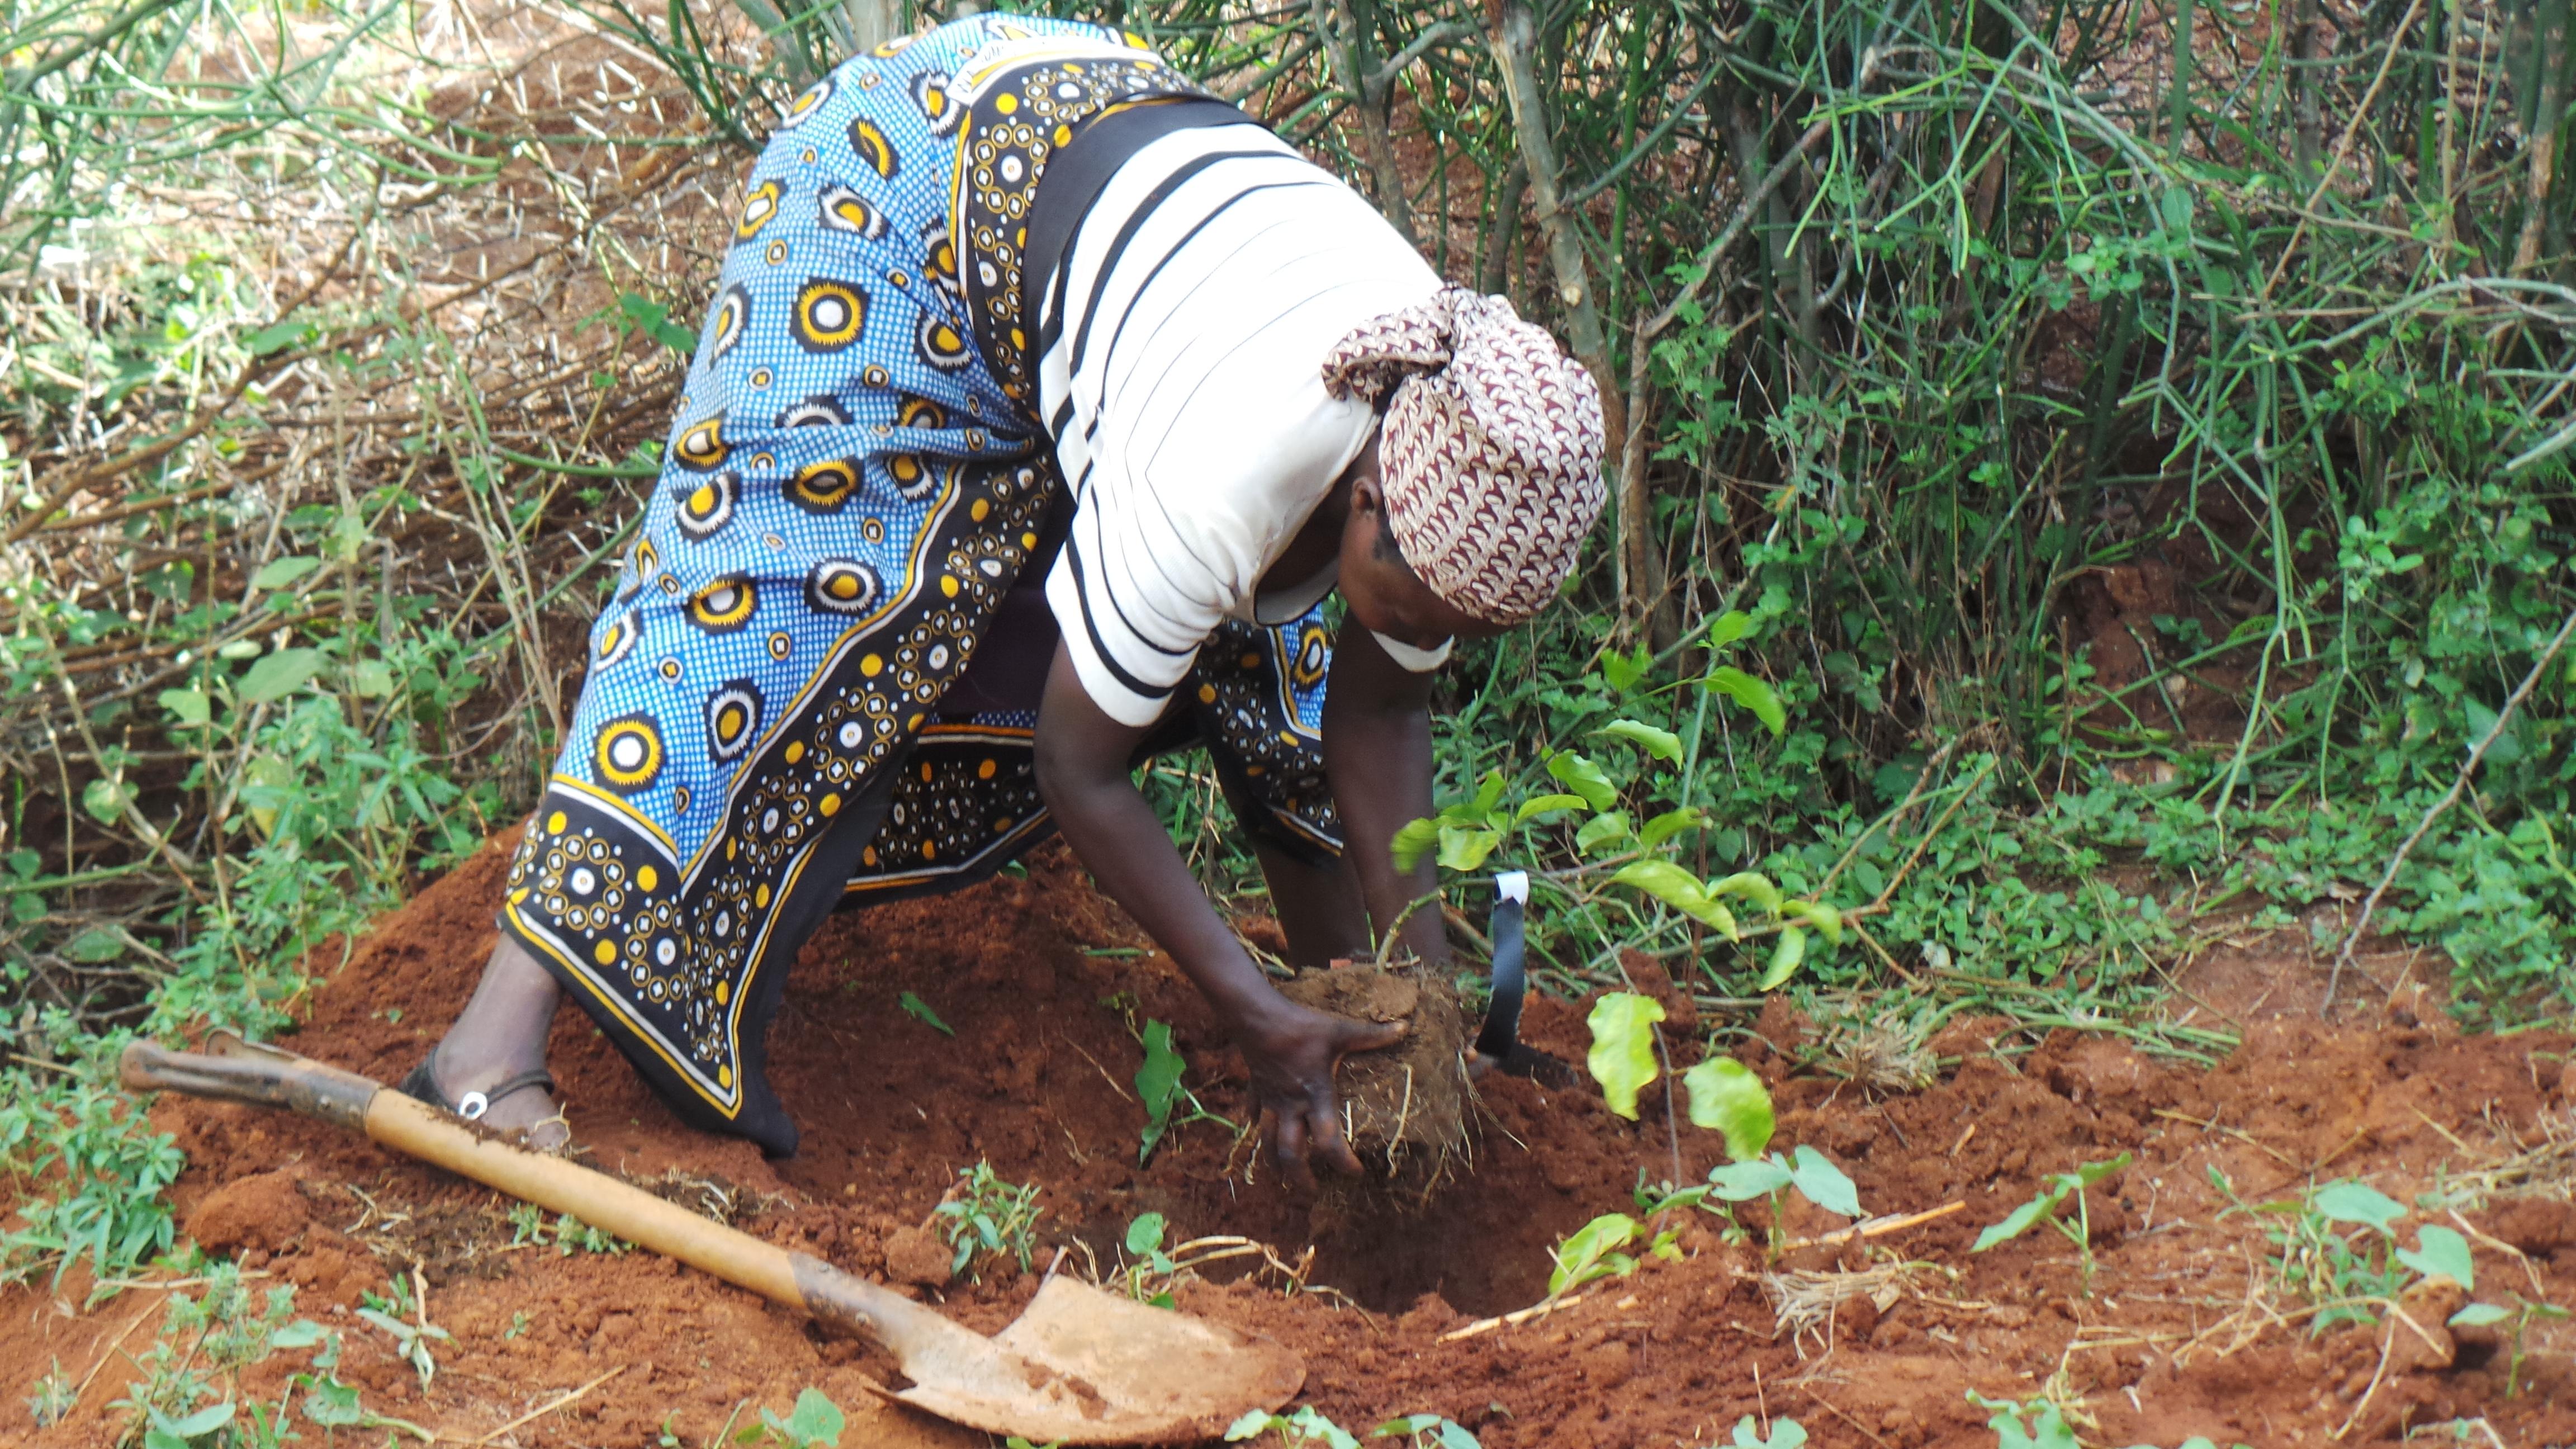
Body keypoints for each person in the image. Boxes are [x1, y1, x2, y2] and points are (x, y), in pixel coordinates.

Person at [405, 12, 1606, 1185]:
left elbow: (1380, 720)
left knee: (1287, 684)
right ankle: (488, 1045)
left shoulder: (1458, 443)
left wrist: (1431, 1013)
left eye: (1464, 627)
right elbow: (1079, 769)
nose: (1430, 636)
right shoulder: (1232, 470)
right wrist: (1246, 1011)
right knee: (777, 586)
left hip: (1099, 182)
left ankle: (1358, 1023)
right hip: (906, 178)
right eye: (1420, 605)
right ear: (1366, 498)